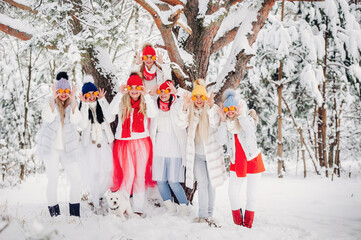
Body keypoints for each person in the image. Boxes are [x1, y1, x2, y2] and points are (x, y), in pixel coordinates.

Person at [176, 79, 226, 223]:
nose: (198, 100)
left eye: (201, 97)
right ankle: (203, 214)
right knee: (202, 183)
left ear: (205, 98)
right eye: (196, 97)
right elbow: (180, 123)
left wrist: (210, 107)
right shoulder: (191, 112)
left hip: (212, 155)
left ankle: (210, 213)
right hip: (197, 156)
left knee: (212, 183)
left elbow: (215, 122)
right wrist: (185, 108)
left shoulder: (212, 110)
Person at [109, 72, 158, 215]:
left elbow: (153, 114)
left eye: (137, 88)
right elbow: (110, 112)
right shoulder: (122, 101)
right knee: (128, 175)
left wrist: (147, 95)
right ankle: (121, 206)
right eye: (131, 88)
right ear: (128, 88)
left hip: (141, 142)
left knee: (140, 176)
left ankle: (137, 208)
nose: (134, 91)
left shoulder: (144, 101)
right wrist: (119, 93)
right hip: (124, 143)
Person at [35, 71, 82, 217]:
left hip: (68, 150)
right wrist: (52, 99)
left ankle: (74, 214)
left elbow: (76, 121)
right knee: (53, 179)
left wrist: (73, 99)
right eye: (60, 91)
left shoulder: (72, 105)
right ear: (56, 91)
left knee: (76, 179)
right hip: (51, 149)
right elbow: (48, 117)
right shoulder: (50, 103)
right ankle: (54, 214)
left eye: (66, 91)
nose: (63, 94)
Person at [217, 89, 265, 228]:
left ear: (237, 107)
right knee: (232, 193)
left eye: (233, 108)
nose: (230, 111)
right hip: (236, 161)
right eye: (227, 108)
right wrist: (223, 120)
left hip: (252, 160)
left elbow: (250, 132)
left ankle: (248, 225)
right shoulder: (227, 124)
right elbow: (220, 141)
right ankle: (238, 224)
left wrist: (241, 115)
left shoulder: (246, 119)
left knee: (252, 195)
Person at [149, 80, 189, 214]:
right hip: (159, 146)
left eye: (166, 91)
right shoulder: (154, 105)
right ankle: (170, 207)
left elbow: (190, 98)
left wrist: (177, 93)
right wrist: (150, 94)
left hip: (175, 146)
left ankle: (184, 207)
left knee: (173, 181)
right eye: (161, 91)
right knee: (160, 180)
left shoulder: (177, 104)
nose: (163, 94)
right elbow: (143, 103)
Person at [78, 75, 114, 215]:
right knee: (95, 173)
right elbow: (82, 125)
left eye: (94, 94)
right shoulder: (83, 108)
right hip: (90, 145)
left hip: (103, 143)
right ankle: (96, 202)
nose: (92, 96)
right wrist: (85, 104)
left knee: (106, 172)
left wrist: (103, 100)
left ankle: (98, 196)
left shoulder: (100, 105)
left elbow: (110, 118)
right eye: (88, 94)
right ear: (84, 95)